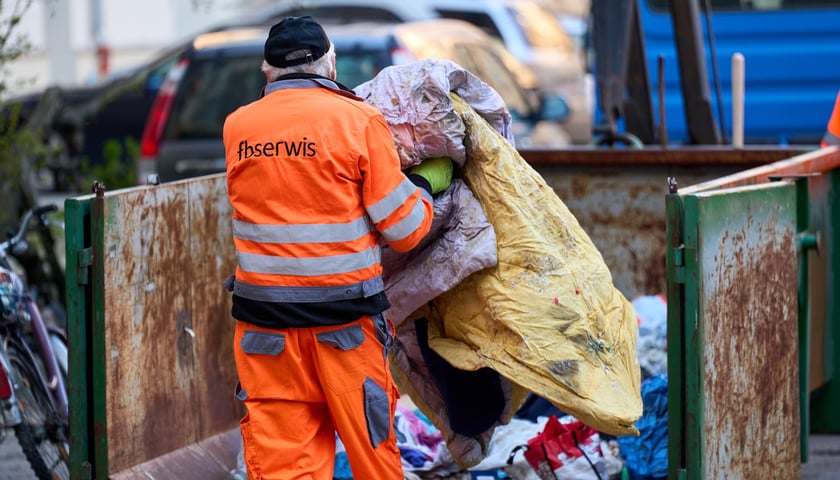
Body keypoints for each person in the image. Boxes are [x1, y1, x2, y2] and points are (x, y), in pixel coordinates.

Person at [222, 16, 453, 480]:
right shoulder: (358, 121)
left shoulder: (237, 127)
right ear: (330, 63)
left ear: (266, 72)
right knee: (373, 461)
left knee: (285, 468)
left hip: (266, 335)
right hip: (344, 332)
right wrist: (425, 184)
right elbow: (405, 229)